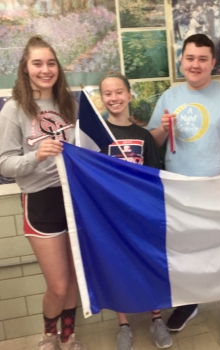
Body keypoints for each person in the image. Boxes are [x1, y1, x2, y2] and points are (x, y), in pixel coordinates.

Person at [148, 33, 220, 345]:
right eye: (189, 58)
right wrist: (161, 130)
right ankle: (188, 304)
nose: (195, 64)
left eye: (202, 59)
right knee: (185, 254)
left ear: (213, 62)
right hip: (180, 195)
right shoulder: (170, 97)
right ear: (181, 62)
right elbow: (153, 143)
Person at [0, 36, 86, 350]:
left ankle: (69, 337)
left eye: (51, 63)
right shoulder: (14, 109)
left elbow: (86, 149)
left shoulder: (69, 105)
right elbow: (4, 164)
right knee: (59, 285)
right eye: (37, 63)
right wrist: (35, 156)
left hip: (74, 198)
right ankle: (48, 337)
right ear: (25, 68)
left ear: (57, 68)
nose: (45, 69)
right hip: (40, 201)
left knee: (75, 280)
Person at [98, 71, 173, 350]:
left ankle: (156, 319)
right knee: (117, 268)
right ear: (102, 99)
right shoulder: (96, 136)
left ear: (129, 95)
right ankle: (124, 325)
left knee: (149, 263)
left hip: (141, 214)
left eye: (119, 92)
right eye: (107, 93)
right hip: (112, 217)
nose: (114, 98)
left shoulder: (143, 135)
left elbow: (154, 176)